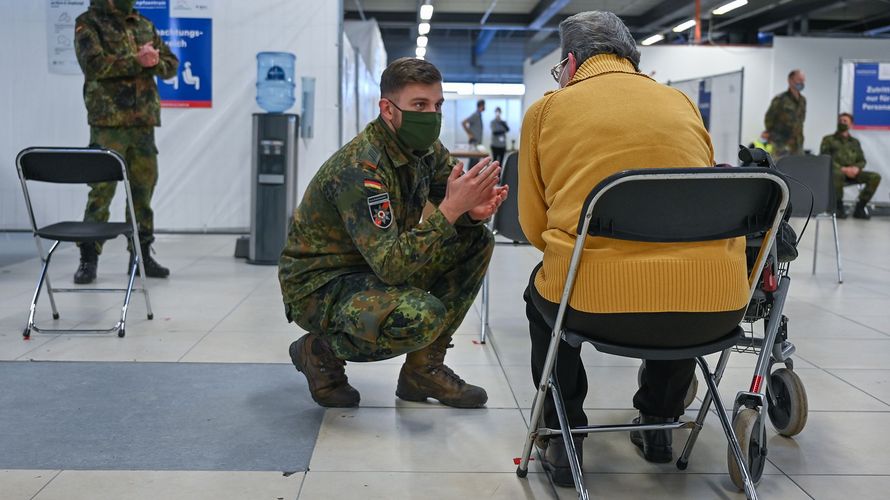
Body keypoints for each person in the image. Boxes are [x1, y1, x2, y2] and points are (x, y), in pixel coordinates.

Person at [518, 11, 749, 487]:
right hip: (715, 307)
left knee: (542, 296)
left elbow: (533, 225)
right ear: (631, 57)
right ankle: (659, 423)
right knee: (680, 271)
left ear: (570, 61)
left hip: (594, 307)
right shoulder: (681, 102)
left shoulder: (547, 110)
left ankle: (564, 436)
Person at [279, 57, 509, 409]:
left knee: (475, 240)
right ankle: (319, 349)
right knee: (422, 315)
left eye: (438, 105)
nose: (432, 114)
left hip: (371, 267)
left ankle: (422, 370)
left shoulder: (424, 151)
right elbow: (391, 267)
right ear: (388, 109)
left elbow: (450, 211)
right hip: (321, 285)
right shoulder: (361, 168)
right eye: (420, 105)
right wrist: (450, 210)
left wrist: (470, 213)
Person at [72, 0, 178, 284]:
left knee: (143, 192)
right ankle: (88, 259)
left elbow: (171, 65)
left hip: (143, 123)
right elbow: (93, 65)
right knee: (101, 193)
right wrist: (138, 61)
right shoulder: (89, 22)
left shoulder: (143, 24)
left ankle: (141, 254)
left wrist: (156, 61)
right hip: (108, 123)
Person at [820, 113, 882, 219]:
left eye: (845, 121)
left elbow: (862, 160)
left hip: (853, 173)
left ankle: (860, 208)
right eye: (840, 120)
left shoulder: (855, 142)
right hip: (836, 172)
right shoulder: (828, 139)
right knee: (837, 174)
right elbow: (825, 158)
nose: (842, 123)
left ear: (851, 125)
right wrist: (842, 169)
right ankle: (838, 208)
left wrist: (856, 168)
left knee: (875, 177)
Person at [764, 69, 807, 159]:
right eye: (799, 80)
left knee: (798, 170)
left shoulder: (802, 100)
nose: (802, 82)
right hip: (781, 144)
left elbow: (800, 121)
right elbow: (769, 119)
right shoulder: (780, 99)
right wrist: (774, 136)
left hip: (797, 144)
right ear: (790, 80)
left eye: (803, 80)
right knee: (780, 169)